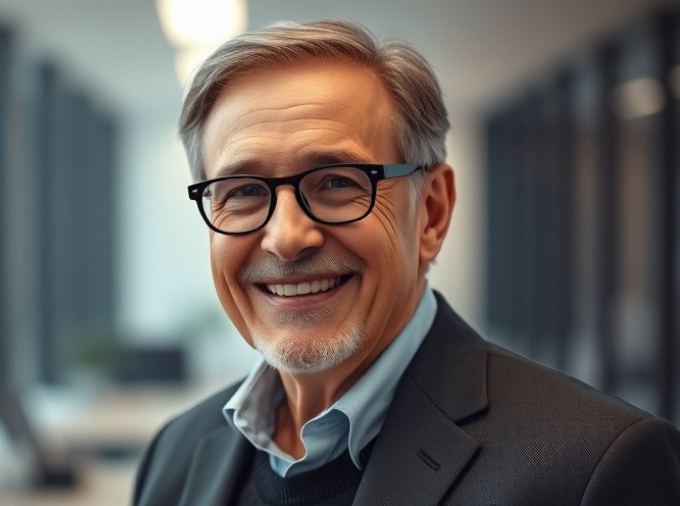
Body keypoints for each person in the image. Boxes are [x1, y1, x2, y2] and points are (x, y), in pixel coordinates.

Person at [133, 19, 680, 505]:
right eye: (244, 190)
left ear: (432, 213)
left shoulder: (593, 468)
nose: (287, 238)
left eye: (337, 182)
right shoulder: (175, 453)